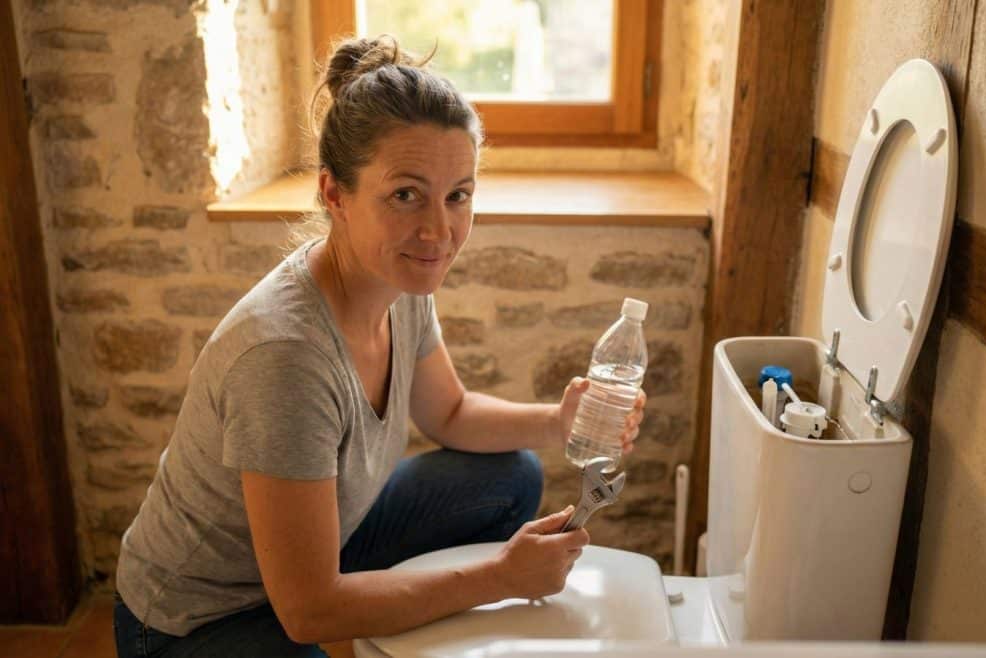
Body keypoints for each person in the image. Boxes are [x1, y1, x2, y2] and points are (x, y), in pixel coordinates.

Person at [112, 35, 646, 657]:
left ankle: (408, 610)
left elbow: (450, 413)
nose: (438, 231)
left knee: (511, 475)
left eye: (458, 195)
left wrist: (559, 422)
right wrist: (500, 577)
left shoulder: (400, 283)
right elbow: (308, 610)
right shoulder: (285, 357)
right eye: (405, 195)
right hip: (198, 620)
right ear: (334, 194)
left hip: (326, 548)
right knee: (325, 616)